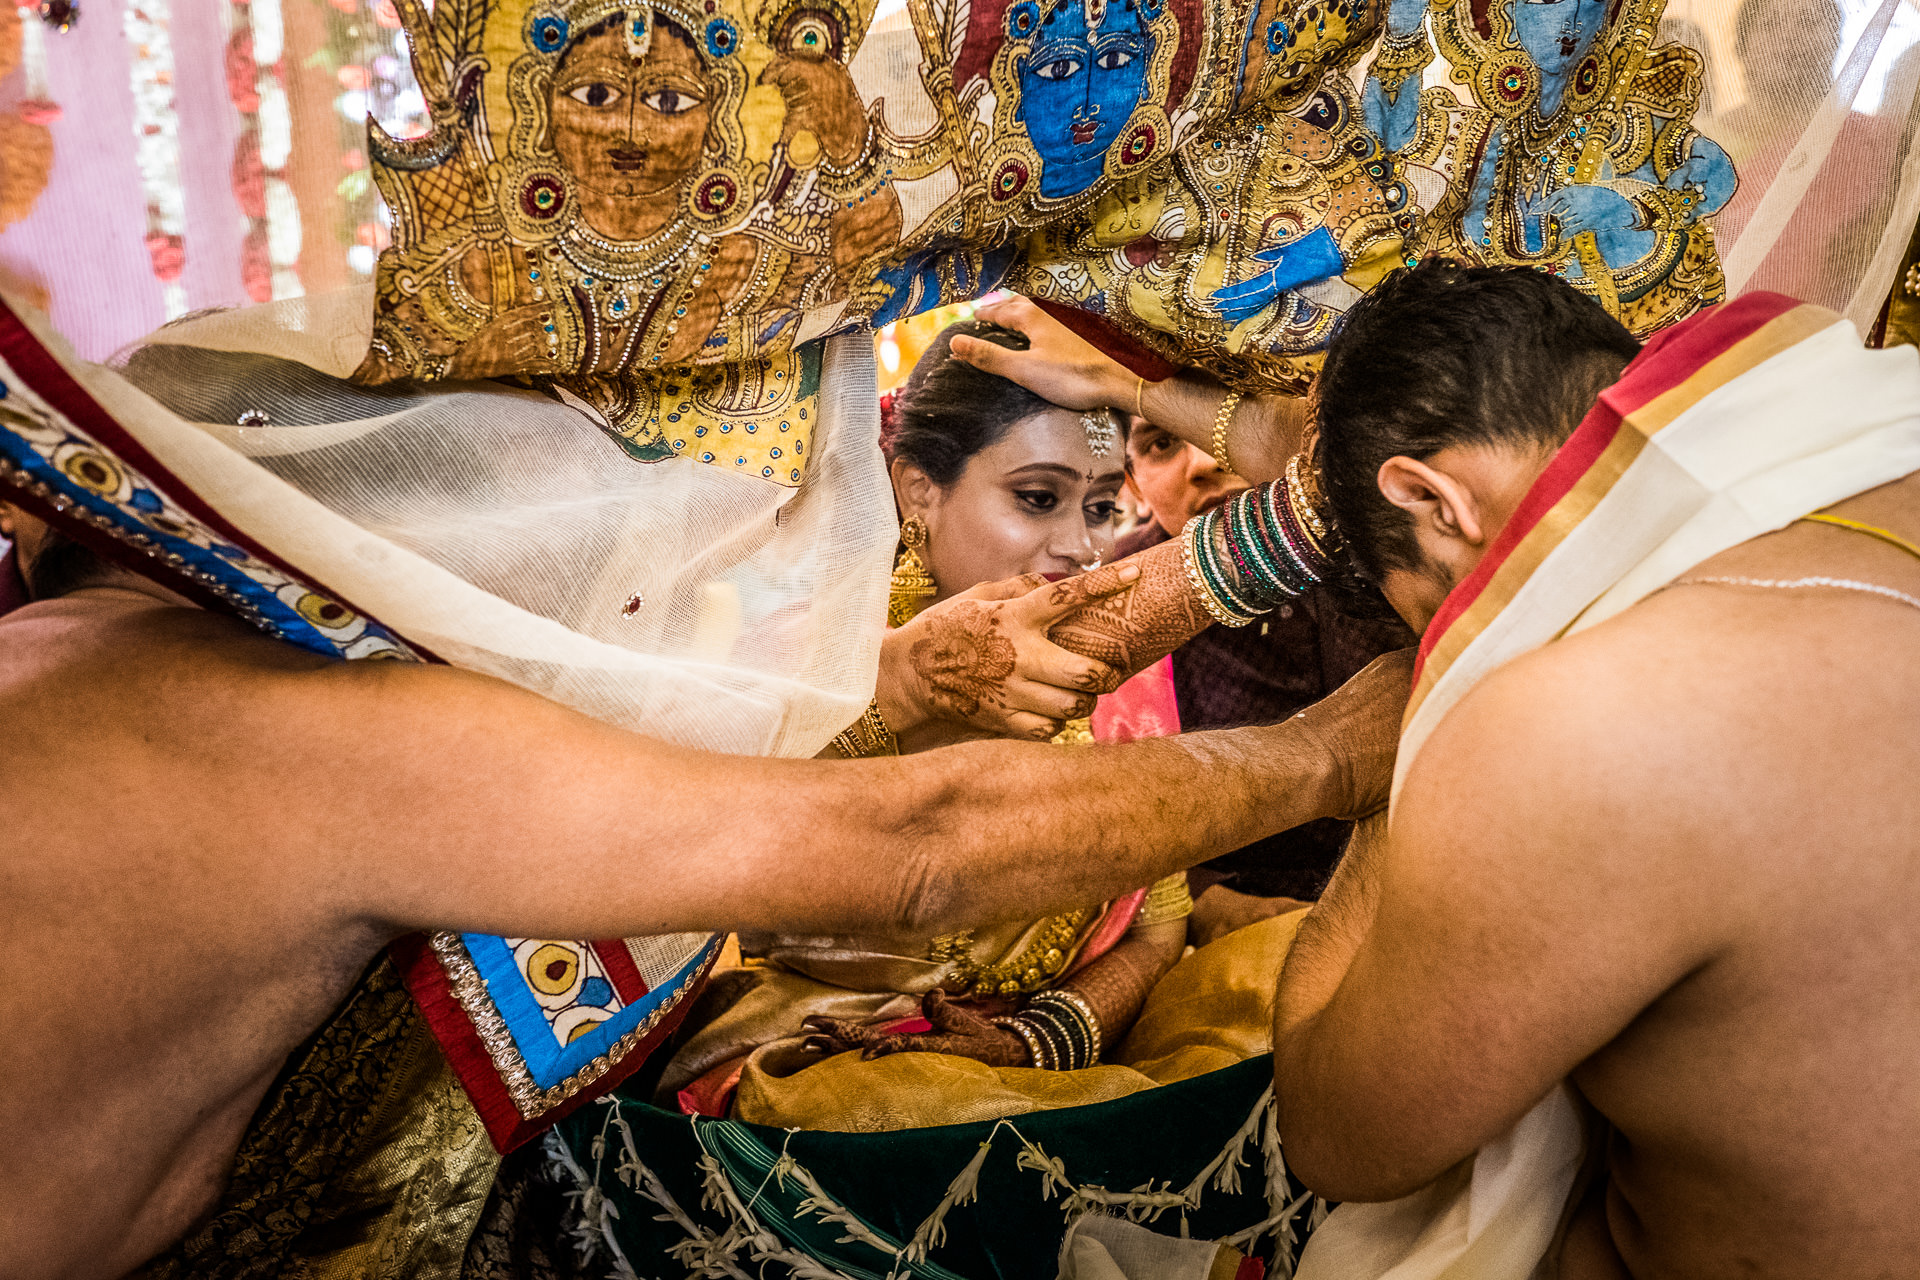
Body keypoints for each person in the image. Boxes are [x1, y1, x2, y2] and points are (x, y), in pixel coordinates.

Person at [0, 491, 1408, 1279]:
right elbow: (915, 843)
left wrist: (918, 670)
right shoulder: (310, 725)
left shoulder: (65, 655)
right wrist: (1324, 757)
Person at [1259, 262, 1918, 1278]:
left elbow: (1339, 1136)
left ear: (1433, 501)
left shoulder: (1580, 716)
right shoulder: (1878, 455)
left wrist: (1424, 727)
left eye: (1430, 617)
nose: (1456, 650)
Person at [660, 319, 1194, 1121]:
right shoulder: (804, 653)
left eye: (1100, 507)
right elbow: (696, 863)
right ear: (919, 490)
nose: (1081, 547)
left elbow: (1159, 931)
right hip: (823, 1048)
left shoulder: (1124, 664)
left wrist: (1039, 1042)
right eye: (1038, 498)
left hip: (1068, 1046)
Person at [1114, 409, 1414, 933]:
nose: (1206, 461)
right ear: (1132, 484)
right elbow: (1115, 818)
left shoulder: (1402, 544)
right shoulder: (1115, 605)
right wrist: (1203, 902)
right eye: (1161, 443)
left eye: (1219, 411)